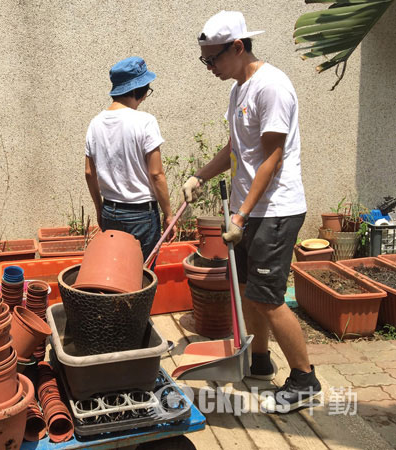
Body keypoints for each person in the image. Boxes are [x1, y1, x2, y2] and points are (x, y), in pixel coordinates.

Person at [183, 11, 321, 413]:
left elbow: (272, 157)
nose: (209, 67)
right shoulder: (239, 87)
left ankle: (304, 379)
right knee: (247, 293)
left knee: (269, 298)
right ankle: (259, 361)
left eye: (213, 59)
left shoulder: (271, 87)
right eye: (204, 60)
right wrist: (200, 176)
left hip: (274, 210)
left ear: (238, 48)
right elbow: (235, 149)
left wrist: (240, 216)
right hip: (250, 209)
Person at [85, 56, 176, 262]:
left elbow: (89, 173)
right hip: (141, 215)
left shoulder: (96, 123)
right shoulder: (145, 121)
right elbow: (156, 174)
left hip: (110, 211)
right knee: (141, 279)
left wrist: (100, 210)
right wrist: (169, 214)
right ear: (138, 89)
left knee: (115, 276)